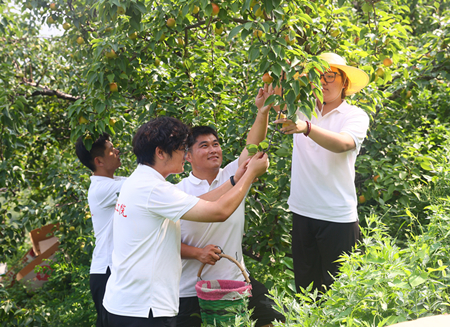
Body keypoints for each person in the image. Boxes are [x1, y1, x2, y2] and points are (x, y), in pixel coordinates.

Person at [101, 116, 269, 327]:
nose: (184, 154)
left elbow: (197, 203)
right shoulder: (154, 189)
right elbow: (219, 211)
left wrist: (234, 180)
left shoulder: (140, 182)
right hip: (144, 310)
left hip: (127, 304)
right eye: (180, 148)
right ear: (160, 152)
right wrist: (250, 175)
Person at [176, 86, 285, 327]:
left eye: (215, 144)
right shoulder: (177, 192)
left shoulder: (230, 173)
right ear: (188, 156)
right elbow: (165, 241)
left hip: (236, 280)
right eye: (204, 146)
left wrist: (263, 111)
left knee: (274, 317)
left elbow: (254, 147)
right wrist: (198, 253)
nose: (213, 150)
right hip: (192, 290)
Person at [274, 52, 370, 293]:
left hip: (337, 218)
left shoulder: (354, 115)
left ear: (344, 82)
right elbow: (274, 98)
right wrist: (279, 61)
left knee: (340, 295)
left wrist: (306, 128)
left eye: (330, 75)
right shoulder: (301, 109)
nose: (324, 82)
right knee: (306, 292)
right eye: (317, 76)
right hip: (302, 213)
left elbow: (344, 144)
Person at [75, 133, 126, 327]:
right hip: (107, 272)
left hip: (112, 271)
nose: (117, 151)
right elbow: (146, 184)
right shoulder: (103, 189)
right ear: (99, 161)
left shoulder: (114, 182)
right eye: (112, 150)